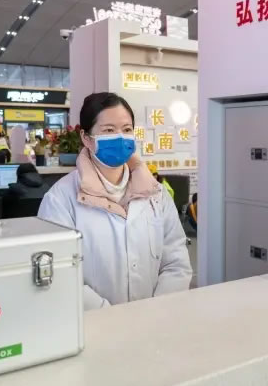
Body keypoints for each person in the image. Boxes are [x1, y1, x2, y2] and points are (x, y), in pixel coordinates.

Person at [38, 92, 192, 310]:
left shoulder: (155, 193)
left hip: (155, 319)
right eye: (109, 130)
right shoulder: (60, 199)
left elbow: (176, 261)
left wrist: (158, 310)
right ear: (86, 138)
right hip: (95, 322)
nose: (120, 137)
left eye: (127, 129)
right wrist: (109, 316)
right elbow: (60, 273)